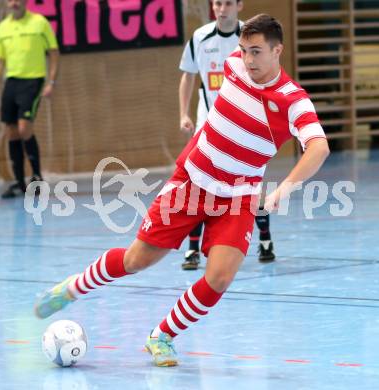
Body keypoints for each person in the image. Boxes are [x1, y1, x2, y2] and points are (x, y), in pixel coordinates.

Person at [34, 14, 330, 368]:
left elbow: (319, 147)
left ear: (277, 50)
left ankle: (162, 336)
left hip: (237, 197)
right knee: (136, 261)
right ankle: (71, 288)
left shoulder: (293, 100)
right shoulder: (233, 65)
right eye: (243, 50)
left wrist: (283, 189)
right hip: (191, 182)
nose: (247, 59)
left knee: (219, 278)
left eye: (256, 52)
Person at [179, 0, 274, 270]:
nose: (222, 8)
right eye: (217, 3)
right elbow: (188, 76)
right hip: (208, 126)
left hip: (243, 128)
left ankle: (265, 239)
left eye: (228, 3)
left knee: (248, 186)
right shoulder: (200, 37)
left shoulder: (252, 38)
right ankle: (192, 249)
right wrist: (183, 114)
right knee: (197, 185)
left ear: (239, 5)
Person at [0, 0, 59, 198]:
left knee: (25, 128)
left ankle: (36, 177)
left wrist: (51, 82)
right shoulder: (3, 28)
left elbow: (54, 52)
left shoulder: (39, 22)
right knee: (12, 132)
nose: (14, 3)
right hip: (12, 82)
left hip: (33, 81)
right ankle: (18, 182)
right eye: (10, 0)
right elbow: (1, 61)